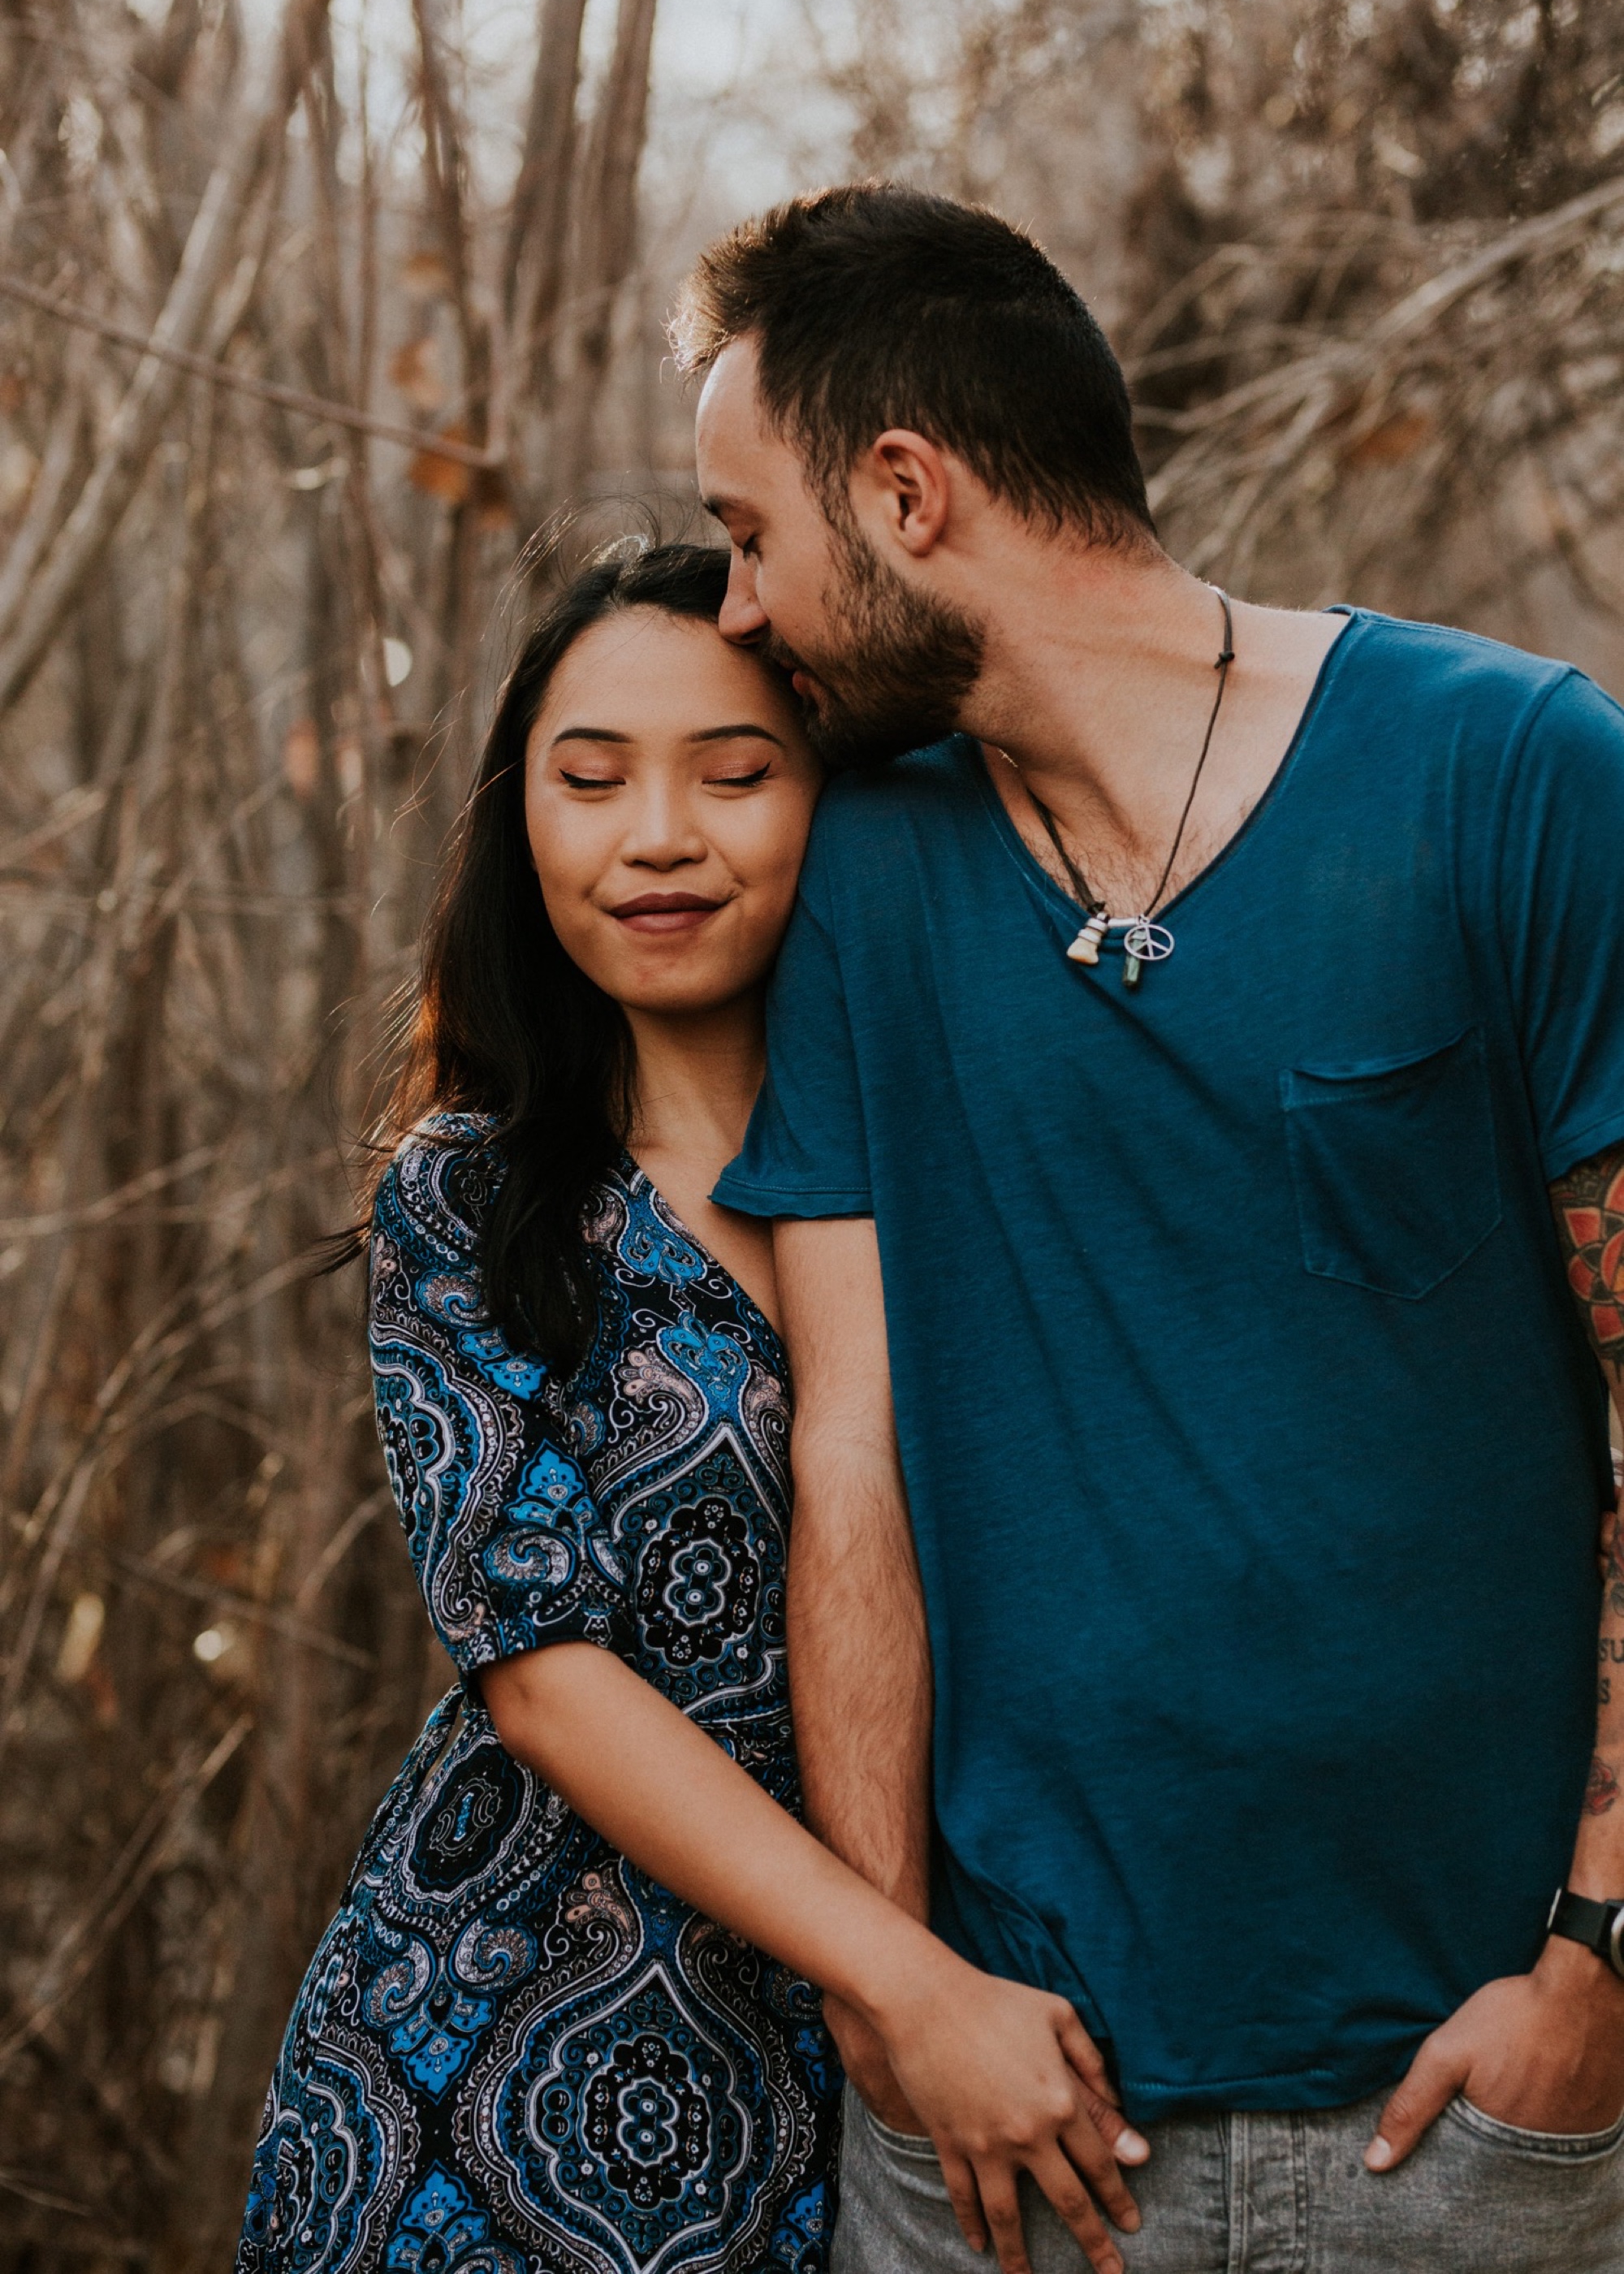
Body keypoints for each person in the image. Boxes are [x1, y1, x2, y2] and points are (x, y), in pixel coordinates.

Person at [672, 185, 1624, 2274]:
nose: (740, 609)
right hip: (1005, 2114)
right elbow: (854, 1468)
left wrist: (1601, 1958)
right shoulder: (874, 881)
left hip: (1461, 2113)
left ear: (905, 493)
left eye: (753, 534)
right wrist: (891, 1993)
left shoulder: (1514, 779)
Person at [235, 540, 1147, 2274]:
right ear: (526, 828)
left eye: (735, 776)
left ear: (846, 807)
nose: (658, 836)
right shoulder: (476, 1197)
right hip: (497, 2066)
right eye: (590, 783)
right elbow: (543, 1680)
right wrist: (899, 1979)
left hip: (947, 2035)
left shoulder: (985, 1157)